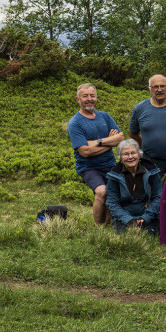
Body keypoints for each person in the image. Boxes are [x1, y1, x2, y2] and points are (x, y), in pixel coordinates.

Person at [67, 82, 125, 225]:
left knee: (116, 192)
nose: (89, 99)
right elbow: (85, 151)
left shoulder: (105, 117)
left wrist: (97, 142)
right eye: (85, 96)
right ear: (77, 99)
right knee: (102, 192)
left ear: (97, 97)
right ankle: (98, 228)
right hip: (88, 167)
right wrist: (109, 142)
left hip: (110, 164)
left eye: (92, 95)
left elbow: (121, 138)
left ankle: (107, 224)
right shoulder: (75, 123)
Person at [104, 138, 162, 235]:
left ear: (139, 155)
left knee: (147, 236)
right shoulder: (114, 175)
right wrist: (129, 221)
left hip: (148, 216)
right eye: (126, 154)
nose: (130, 157)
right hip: (124, 218)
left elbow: (158, 197)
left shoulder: (152, 171)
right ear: (120, 157)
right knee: (127, 237)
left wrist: (145, 218)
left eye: (133, 153)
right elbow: (112, 203)